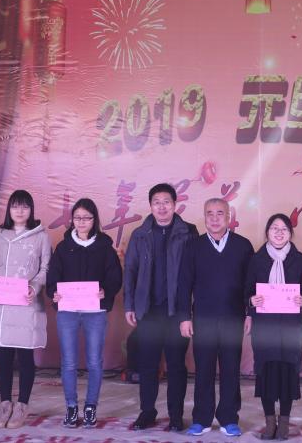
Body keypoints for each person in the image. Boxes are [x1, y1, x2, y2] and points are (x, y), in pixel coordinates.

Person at [123, 182, 199, 431]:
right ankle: (147, 412)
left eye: (166, 202)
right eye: (157, 202)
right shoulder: (140, 234)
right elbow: (130, 270)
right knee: (147, 365)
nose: (162, 207)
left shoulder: (189, 232)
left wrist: (190, 311)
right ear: (150, 206)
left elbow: (196, 273)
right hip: (149, 311)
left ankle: (176, 416)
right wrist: (129, 305)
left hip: (177, 311)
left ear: (175, 204)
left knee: (176, 365)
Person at [177, 198, 254, 437]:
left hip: (233, 318)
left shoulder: (243, 246)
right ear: (204, 217)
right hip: (203, 319)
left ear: (228, 217)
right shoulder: (193, 246)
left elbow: (251, 284)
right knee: (204, 370)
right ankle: (201, 418)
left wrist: (250, 313)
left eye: (220, 213)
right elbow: (183, 284)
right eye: (209, 213)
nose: (214, 218)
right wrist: (184, 317)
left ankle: (229, 418)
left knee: (231, 370)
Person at [46, 197, 122, 429]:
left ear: (94, 220)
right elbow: (52, 277)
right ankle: (71, 407)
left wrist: (105, 290)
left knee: (94, 362)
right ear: (72, 220)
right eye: (77, 217)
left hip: (94, 312)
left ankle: (90, 406)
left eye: (86, 218)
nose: (81, 222)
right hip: (68, 311)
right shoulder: (63, 247)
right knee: (68, 362)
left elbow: (115, 276)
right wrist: (54, 293)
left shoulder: (104, 247)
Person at [0, 190, 51, 429]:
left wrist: (34, 287)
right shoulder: (0, 235)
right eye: (15, 206)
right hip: (2, 304)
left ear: (31, 210)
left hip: (26, 302)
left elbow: (45, 268)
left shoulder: (41, 236)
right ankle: (5, 404)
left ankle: (22, 405)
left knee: (25, 356)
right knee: (3, 356)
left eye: (24, 206)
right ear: (9, 209)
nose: (19, 211)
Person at [245, 213, 302, 441]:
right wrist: (251, 300)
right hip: (264, 328)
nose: (279, 232)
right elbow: (247, 290)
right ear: (267, 232)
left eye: (284, 229)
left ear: (290, 233)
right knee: (266, 373)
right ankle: (269, 422)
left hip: (290, 327)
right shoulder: (257, 259)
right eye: (274, 228)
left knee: (287, 373)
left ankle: (283, 422)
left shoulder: (299, 259)